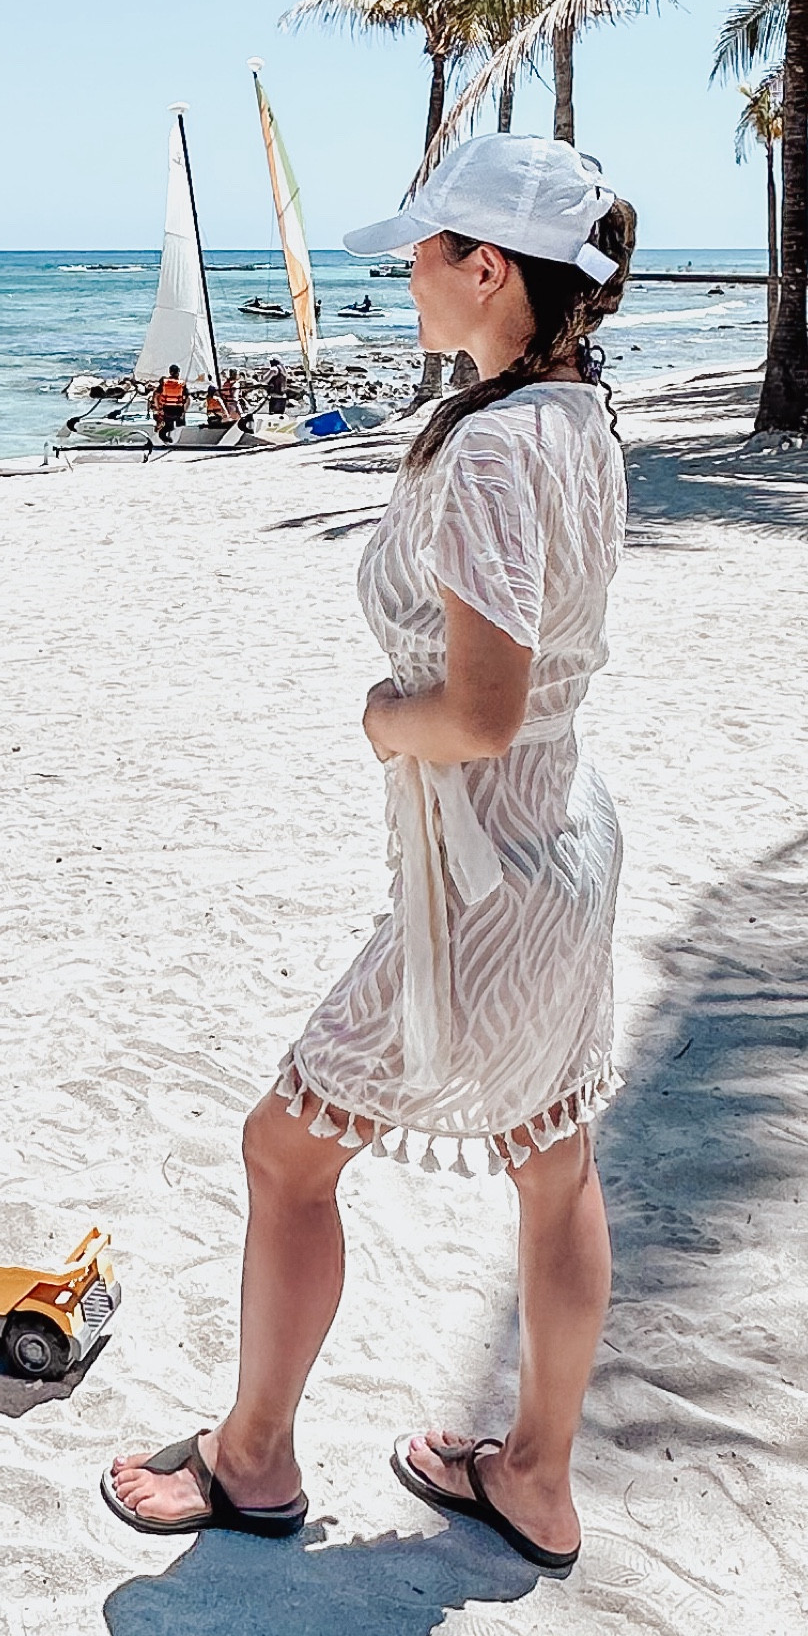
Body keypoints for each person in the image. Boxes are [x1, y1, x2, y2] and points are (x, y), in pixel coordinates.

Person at [103, 134, 635, 1574]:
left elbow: (478, 710)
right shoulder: (576, 413)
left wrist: (382, 718)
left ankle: (255, 1459)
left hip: (486, 876)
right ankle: (536, 1476)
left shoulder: (491, 447)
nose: (404, 272)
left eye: (424, 249)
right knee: (553, 1157)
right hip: (564, 842)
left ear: (486, 267)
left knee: (283, 1152)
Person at [151, 364, 188, 440]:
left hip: (167, 409)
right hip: (178, 410)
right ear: (178, 372)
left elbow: (156, 395)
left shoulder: (164, 383)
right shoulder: (182, 384)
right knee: (180, 424)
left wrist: (158, 408)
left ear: (170, 372)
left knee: (169, 426)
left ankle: (164, 436)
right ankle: (179, 438)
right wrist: (184, 410)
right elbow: (187, 399)